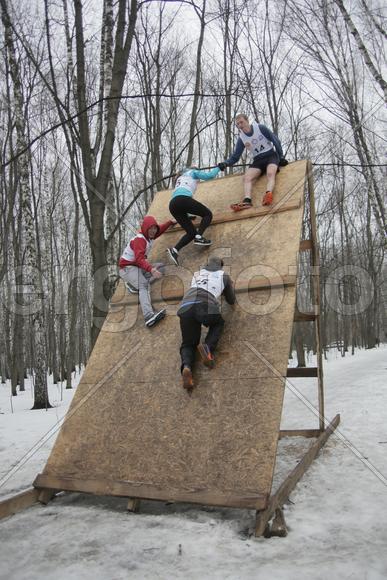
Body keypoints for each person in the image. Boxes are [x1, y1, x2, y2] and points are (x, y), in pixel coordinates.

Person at [177, 256, 236, 390]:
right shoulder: (224, 275)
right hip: (205, 303)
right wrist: (228, 288)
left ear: (207, 264)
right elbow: (231, 300)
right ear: (220, 266)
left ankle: (186, 367)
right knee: (218, 323)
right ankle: (207, 348)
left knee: (188, 343)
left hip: (185, 305)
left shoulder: (197, 274)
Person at [217, 114, 288, 211]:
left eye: (241, 122)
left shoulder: (260, 128)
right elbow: (235, 157)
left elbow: (275, 140)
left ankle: (268, 194)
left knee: (271, 173)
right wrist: (225, 163)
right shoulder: (242, 138)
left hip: (270, 155)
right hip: (258, 160)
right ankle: (247, 201)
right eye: (238, 124)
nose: (240, 125)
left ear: (247, 121)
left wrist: (281, 157)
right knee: (246, 177)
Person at [118, 215, 174, 328]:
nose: (153, 231)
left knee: (161, 267)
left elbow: (160, 229)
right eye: (151, 228)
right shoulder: (140, 240)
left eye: (155, 228)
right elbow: (139, 259)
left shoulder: (149, 236)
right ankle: (148, 316)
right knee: (144, 285)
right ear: (145, 229)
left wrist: (170, 222)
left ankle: (134, 285)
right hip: (127, 268)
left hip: (136, 268)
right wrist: (151, 269)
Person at [166, 166, 223, 266]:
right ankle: (199, 236)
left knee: (191, 232)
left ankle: (175, 250)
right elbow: (210, 176)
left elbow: (180, 196)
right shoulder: (193, 172)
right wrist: (219, 167)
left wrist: (188, 215)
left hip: (173, 205)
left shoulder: (180, 177)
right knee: (207, 214)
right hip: (183, 200)